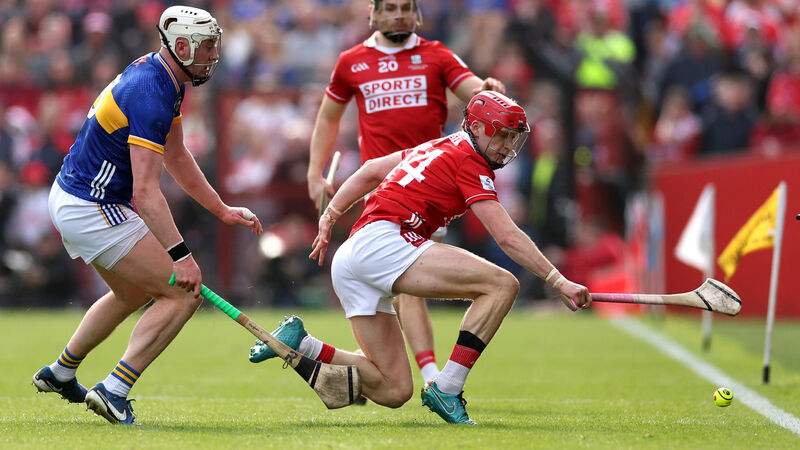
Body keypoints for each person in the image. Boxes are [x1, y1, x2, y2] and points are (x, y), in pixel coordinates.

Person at [253, 91, 590, 424]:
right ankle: (447, 388)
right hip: (386, 243)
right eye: (501, 134)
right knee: (502, 285)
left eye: (513, 137)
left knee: (394, 389)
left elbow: (371, 170)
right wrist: (558, 280)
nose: (507, 145)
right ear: (475, 127)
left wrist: (330, 215)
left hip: (354, 255)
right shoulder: (470, 160)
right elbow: (506, 236)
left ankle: (302, 343)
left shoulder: (437, 146)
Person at [31, 6, 263, 425]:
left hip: (78, 197)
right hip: (92, 204)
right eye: (207, 46)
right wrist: (182, 257)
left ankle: (61, 372)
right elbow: (146, 192)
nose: (214, 55)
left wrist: (220, 209)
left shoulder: (166, 78)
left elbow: (177, 154)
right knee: (184, 294)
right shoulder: (151, 91)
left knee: (133, 293)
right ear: (181, 46)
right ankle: (114, 390)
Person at [290, 0, 506, 384]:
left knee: (405, 286)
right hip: (382, 186)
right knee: (402, 285)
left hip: (431, 184)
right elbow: (328, 116)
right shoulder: (352, 61)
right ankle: (423, 374)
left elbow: (475, 92)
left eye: (406, 7)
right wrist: (313, 171)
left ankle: (370, 371)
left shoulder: (436, 55)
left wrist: (487, 89)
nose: (399, 14)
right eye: (390, 7)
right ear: (373, 12)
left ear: (416, 13)